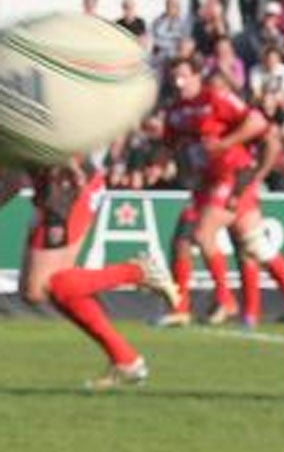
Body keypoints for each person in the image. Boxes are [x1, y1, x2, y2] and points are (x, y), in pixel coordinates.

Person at [157, 56, 284, 327]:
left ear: (199, 76)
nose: (179, 82)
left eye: (184, 75)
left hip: (233, 176)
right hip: (206, 182)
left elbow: (257, 124)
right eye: (175, 77)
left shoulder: (216, 98)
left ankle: (227, 300)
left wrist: (225, 144)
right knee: (236, 244)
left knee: (203, 233)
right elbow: (172, 147)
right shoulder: (175, 111)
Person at [1, 159, 179, 388]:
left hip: (66, 185)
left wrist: (71, 162)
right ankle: (126, 361)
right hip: (57, 187)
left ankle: (138, 271)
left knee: (43, 287)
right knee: (44, 288)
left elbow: (57, 130)